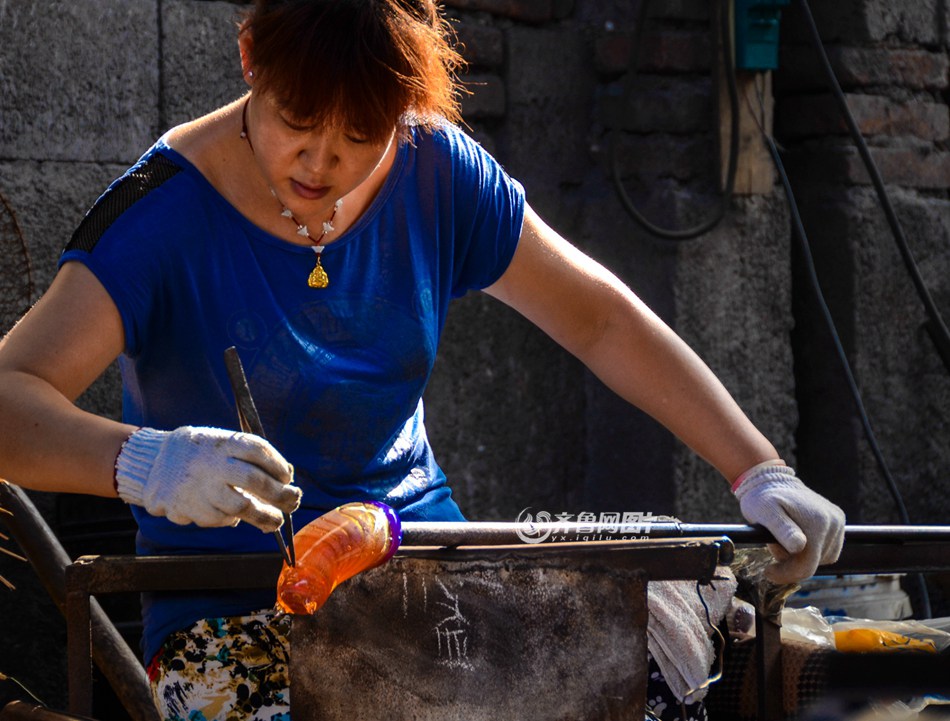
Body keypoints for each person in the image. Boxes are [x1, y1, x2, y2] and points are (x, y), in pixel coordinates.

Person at [0, 1, 845, 719]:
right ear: (251, 59)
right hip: (237, 610)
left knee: (659, 642)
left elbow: (599, 320)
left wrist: (758, 469)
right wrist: (143, 462)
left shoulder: (433, 168)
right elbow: (10, 399)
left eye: (360, 134)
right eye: (297, 118)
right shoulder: (162, 217)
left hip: (431, 576)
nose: (321, 161)